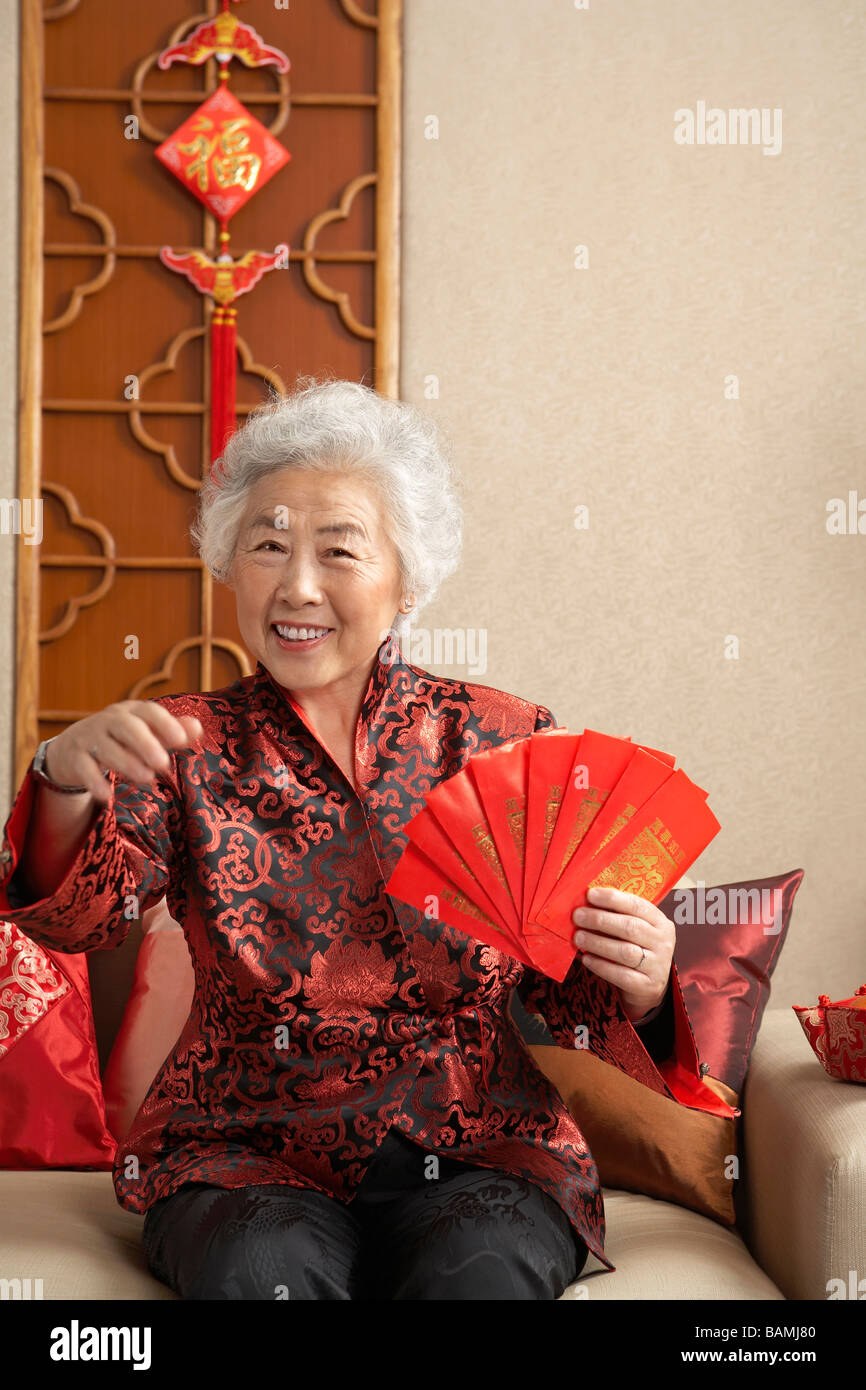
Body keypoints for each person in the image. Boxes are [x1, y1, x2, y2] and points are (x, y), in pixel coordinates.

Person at [0, 376, 689, 1301]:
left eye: (339, 551)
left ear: (408, 579)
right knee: (263, 1273)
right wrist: (58, 782)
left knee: (477, 1277)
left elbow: (567, 990)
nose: (297, 586)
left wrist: (641, 984)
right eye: (269, 546)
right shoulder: (181, 744)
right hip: (242, 1155)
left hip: (479, 1147)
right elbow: (82, 922)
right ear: (228, 565)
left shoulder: (504, 737)